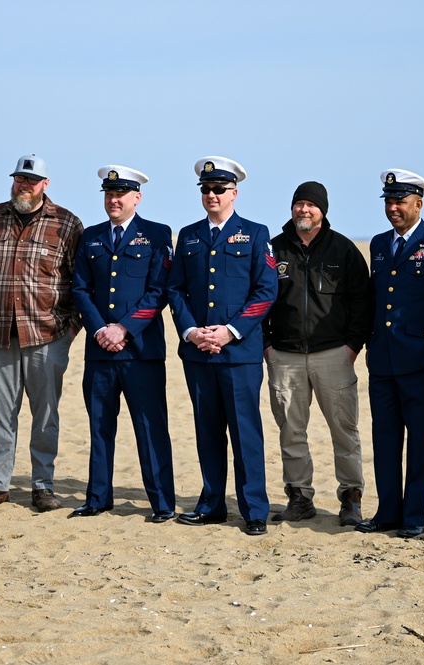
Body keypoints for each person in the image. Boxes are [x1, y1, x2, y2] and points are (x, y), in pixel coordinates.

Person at [0, 154, 83, 514]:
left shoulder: (66, 223)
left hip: (48, 335)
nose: (23, 185)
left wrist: (70, 331)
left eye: (31, 180)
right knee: (0, 414)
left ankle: (43, 487)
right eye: (19, 179)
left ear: (45, 184)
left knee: (45, 415)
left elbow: (82, 283)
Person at [167, 156, 277, 536]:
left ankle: (254, 509)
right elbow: (175, 290)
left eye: (219, 189)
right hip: (198, 352)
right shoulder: (190, 235)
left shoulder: (256, 233)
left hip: (239, 354)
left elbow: (266, 291)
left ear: (235, 192)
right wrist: (190, 331)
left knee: (245, 432)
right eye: (206, 190)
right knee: (207, 430)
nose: (211, 195)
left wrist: (231, 331)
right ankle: (212, 503)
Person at [357, 169, 424, 538]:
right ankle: (388, 512)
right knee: (384, 439)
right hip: (383, 360)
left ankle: (414, 516)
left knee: (419, 440)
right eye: (389, 201)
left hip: (423, 360)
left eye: (400, 201)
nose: (393, 208)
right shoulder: (379, 244)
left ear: (419, 203)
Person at [69, 165, 176, 522]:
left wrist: (124, 329)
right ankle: (98, 498)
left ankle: (161, 502)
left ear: (137, 198)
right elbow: (80, 289)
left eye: (121, 194)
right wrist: (100, 329)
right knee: (100, 426)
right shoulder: (91, 236)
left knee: (150, 426)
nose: (113, 200)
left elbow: (159, 291)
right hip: (99, 351)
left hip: (141, 352)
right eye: (108, 194)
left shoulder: (157, 234)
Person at [262, 181, 371, 526]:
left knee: (344, 430)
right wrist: (267, 345)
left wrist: (351, 346)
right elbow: (260, 300)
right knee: (291, 431)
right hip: (284, 356)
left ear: (323, 210)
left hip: (334, 355)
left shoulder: (343, 249)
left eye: (311, 205)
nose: (303, 210)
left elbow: (362, 302)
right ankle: (299, 497)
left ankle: (351, 498)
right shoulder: (275, 249)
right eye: (299, 204)